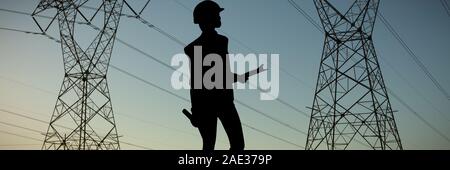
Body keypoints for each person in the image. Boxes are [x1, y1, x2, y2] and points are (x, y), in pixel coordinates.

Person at [184, 0, 264, 151]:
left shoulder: (210, 43)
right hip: (216, 102)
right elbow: (200, 79)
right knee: (217, 146)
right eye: (216, 15)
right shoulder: (208, 44)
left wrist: (238, 77)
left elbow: (217, 75)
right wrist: (195, 110)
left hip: (216, 102)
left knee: (221, 145)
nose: (220, 18)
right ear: (207, 18)